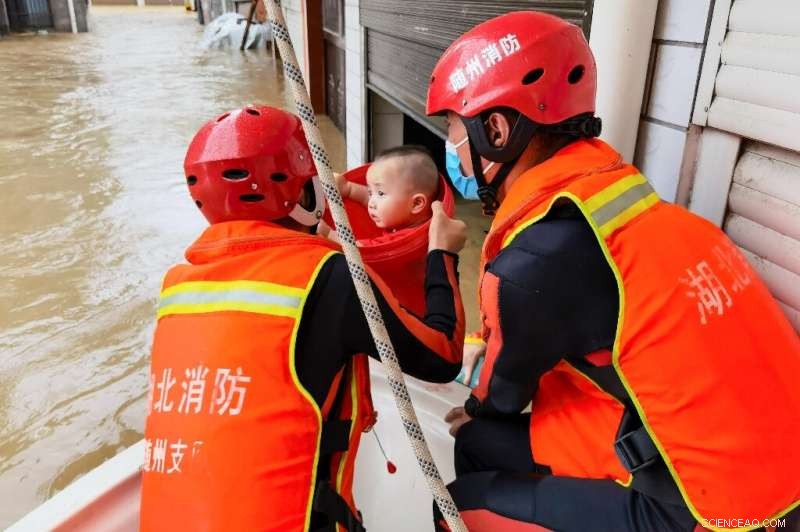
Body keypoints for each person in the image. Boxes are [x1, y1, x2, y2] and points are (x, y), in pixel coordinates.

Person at [425, 11, 800, 532]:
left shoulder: (533, 263)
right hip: (740, 457)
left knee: (459, 507)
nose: (452, 150)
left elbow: (501, 396)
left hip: (713, 506)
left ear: (494, 129)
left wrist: (476, 401)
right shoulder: (639, 214)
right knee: (478, 443)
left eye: (453, 130)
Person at [139, 105, 468, 532]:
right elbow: (441, 356)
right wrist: (442, 253)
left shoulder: (177, 287)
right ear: (304, 191)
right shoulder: (328, 277)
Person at [319, 145, 440, 242]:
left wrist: (328, 233)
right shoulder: (406, 217)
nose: (371, 203)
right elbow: (367, 198)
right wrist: (348, 188)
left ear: (416, 203)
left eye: (381, 193)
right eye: (371, 192)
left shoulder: (407, 239)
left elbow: (358, 252)